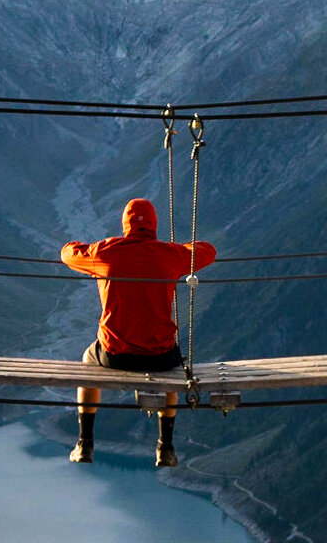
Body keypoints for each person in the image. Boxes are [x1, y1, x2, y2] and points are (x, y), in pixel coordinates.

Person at [60, 197, 216, 467]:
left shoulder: (106, 252)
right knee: (172, 368)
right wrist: (180, 250)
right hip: (160, 354)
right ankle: (165, 446)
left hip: (115, 354)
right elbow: (208, 251)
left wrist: (82, 247)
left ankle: (84, 442)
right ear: (154, 225)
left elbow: (67, 253)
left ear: (125, 225)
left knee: (88, 360)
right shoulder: (170, 255)